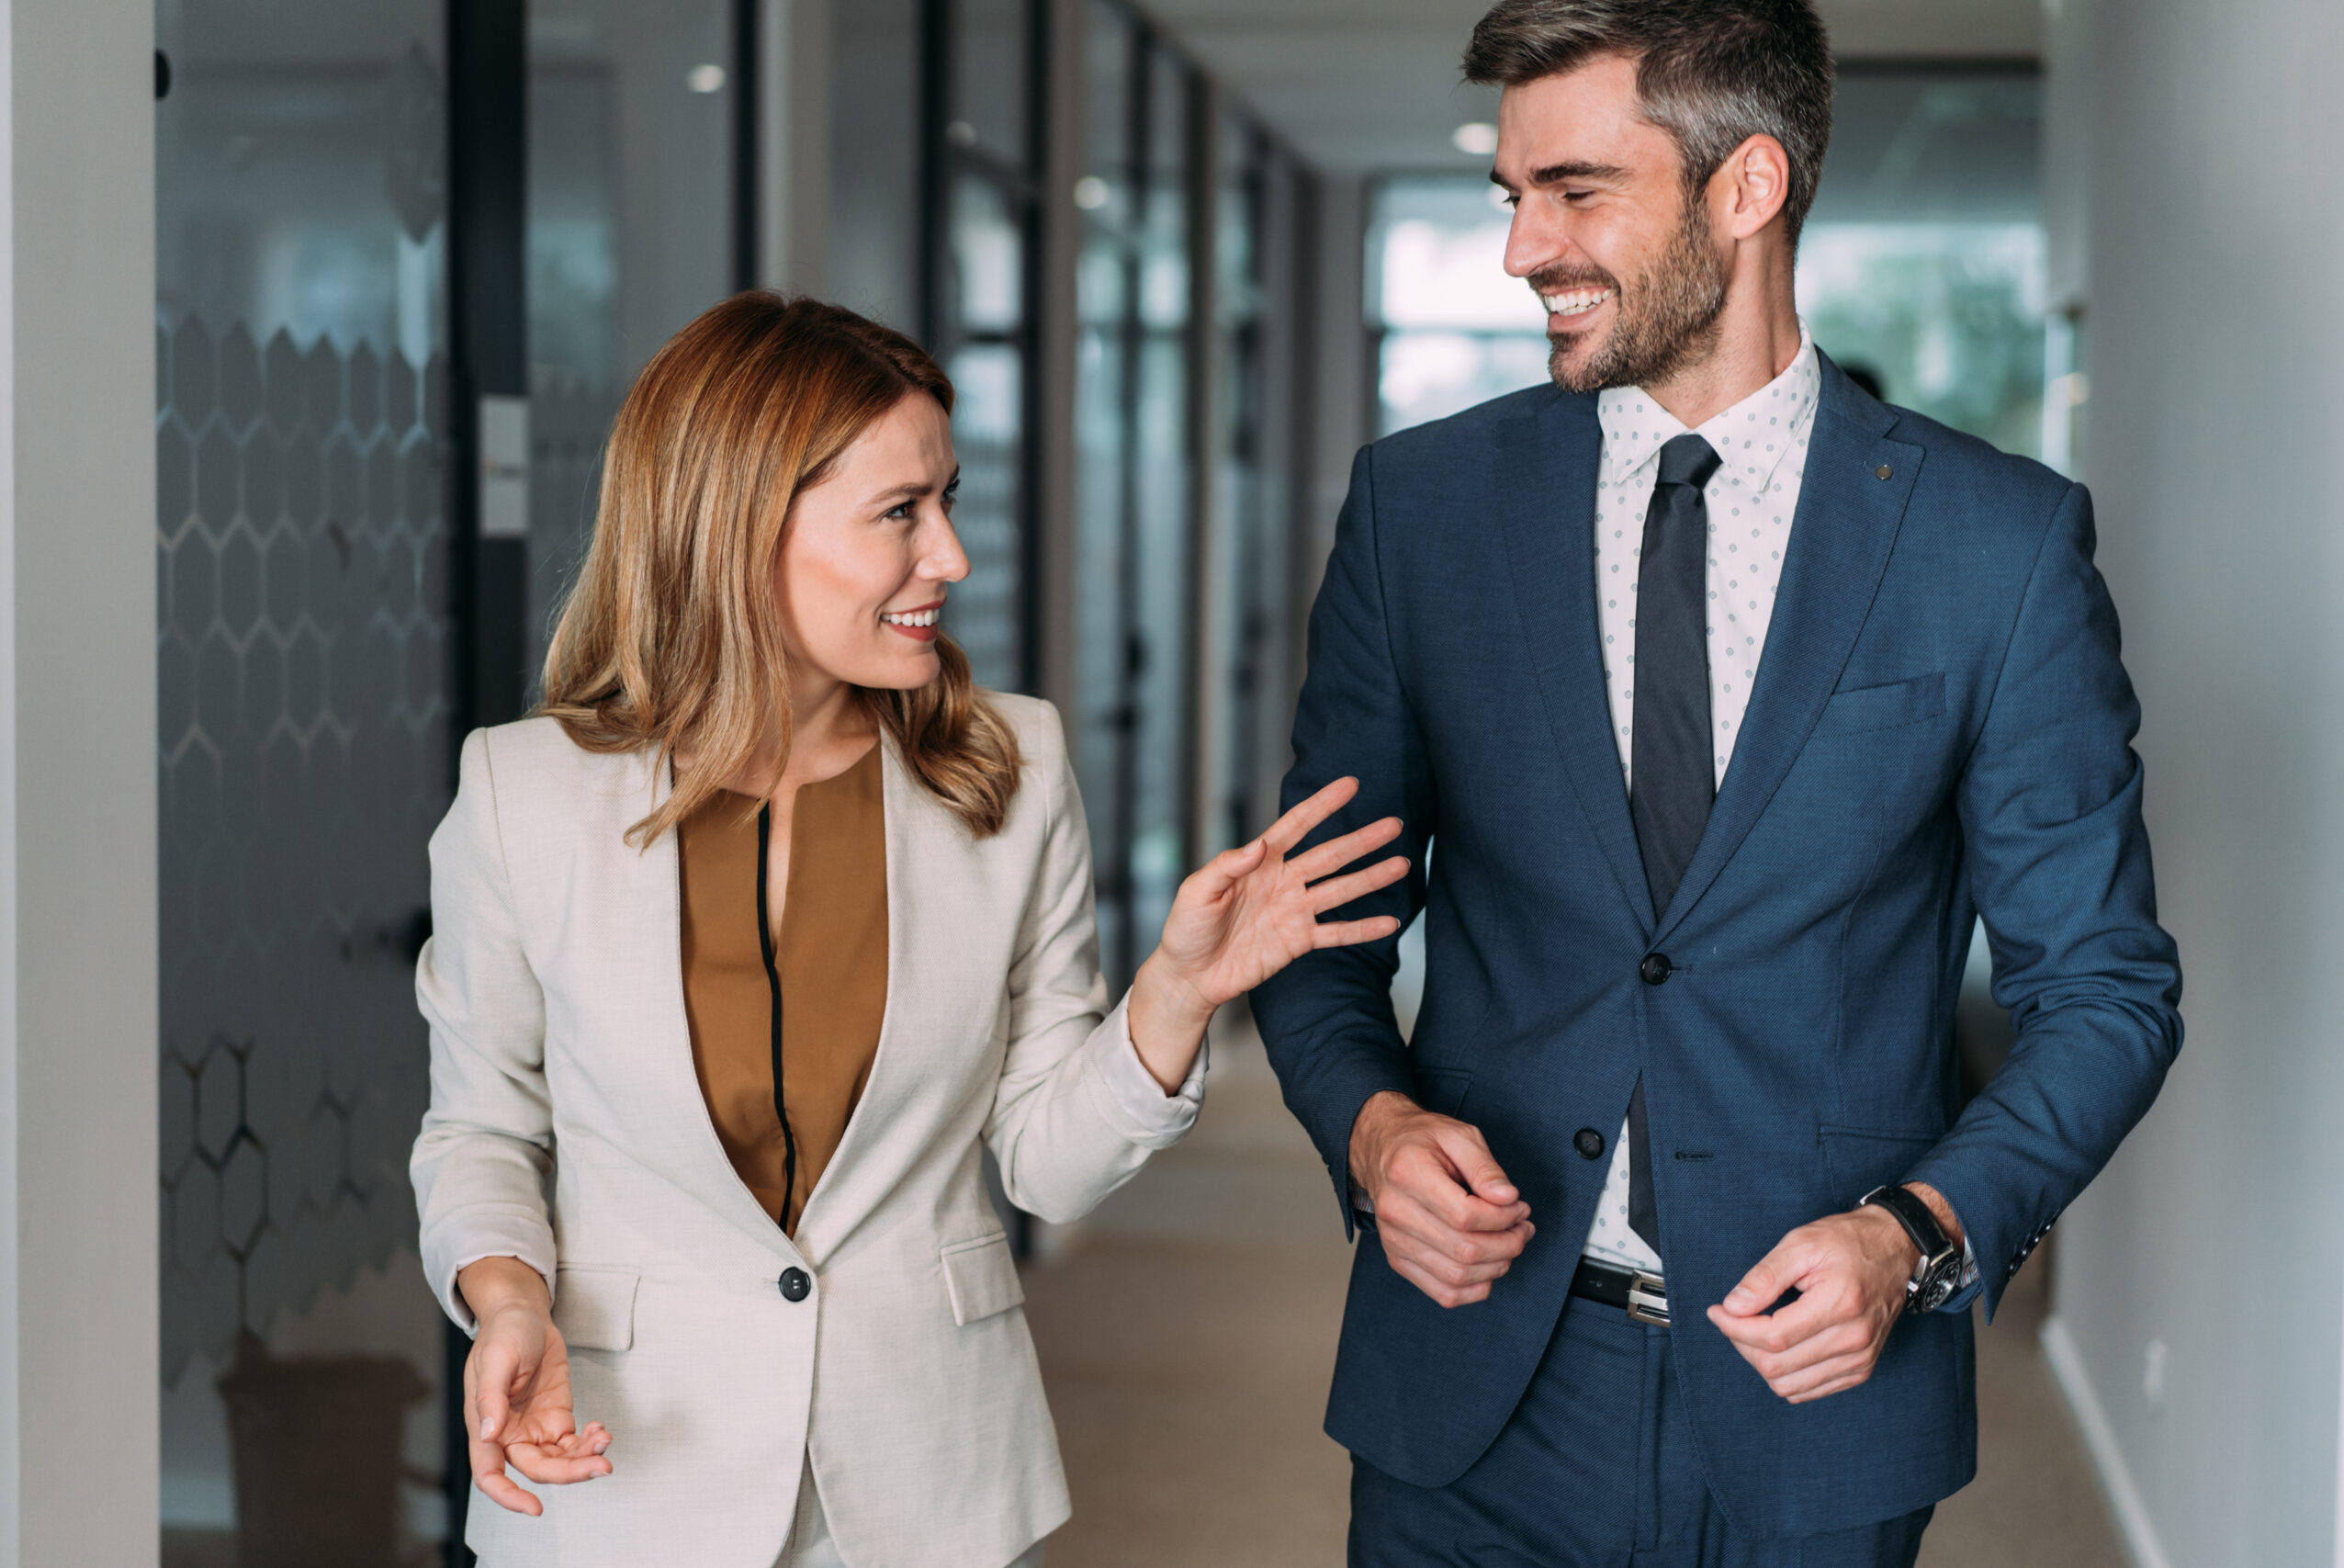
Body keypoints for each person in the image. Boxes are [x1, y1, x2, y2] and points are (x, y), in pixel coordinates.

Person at [1250, 3, 2181, 1564]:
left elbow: (2105, 992)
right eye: (1509, 196)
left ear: (1747, 187)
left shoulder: (1992, 545)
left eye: (1576, 192)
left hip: (1820, 1412)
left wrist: (1920, 1236)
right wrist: (1369, 1130)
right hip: (1473, 1389)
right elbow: (1319, 928)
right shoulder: (1424, 513)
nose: (1522, 248)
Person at [410, 293, 1407, 1568]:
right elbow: (481, 1126)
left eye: (946, 501)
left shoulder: (1015, 765)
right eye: (900, 514)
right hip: (618, 1478)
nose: (952, 556)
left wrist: (1171, 996)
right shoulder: (522, 793)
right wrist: (507, 1299)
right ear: (737, 525)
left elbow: (1044, 1166)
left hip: (926, 1483)